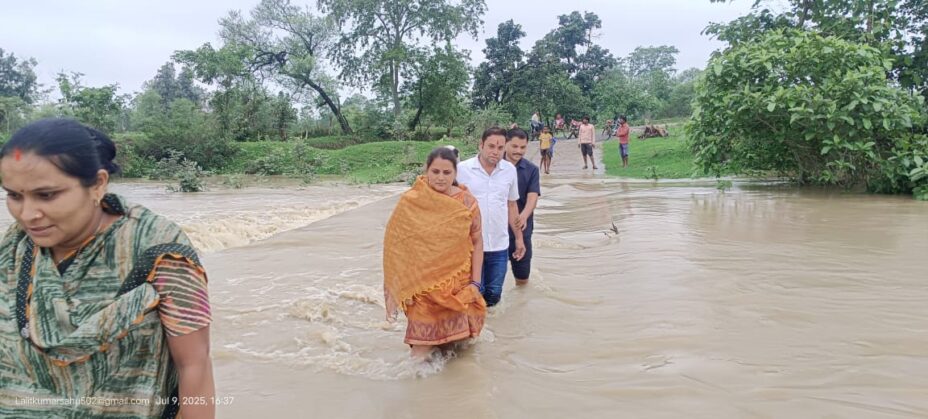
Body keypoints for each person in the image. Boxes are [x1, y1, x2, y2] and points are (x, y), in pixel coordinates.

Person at [0, 119, 215, 418]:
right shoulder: (14, 249)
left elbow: (195, 365)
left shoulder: (157, 248)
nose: (28, 214)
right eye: (14, 195)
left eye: (46, 195)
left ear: (98, 184)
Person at [383, 147, 486, 359]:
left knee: (457, 347)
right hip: (422, 289)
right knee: (420, 352)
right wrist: (398, 287)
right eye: (435, 172)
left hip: (458, 288)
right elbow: (397, 246)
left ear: (455, 173)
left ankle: (452, 391)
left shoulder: (467, 203)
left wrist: (475, 283)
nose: (441, 178)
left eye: (447, 173)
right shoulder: (411, 201)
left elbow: (477, 241)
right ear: (426, 171)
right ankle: (416, 388)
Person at [456, 127, 525, 307]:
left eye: (500, 148)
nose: (495, 152)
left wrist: (519, 238)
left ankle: (494, 331)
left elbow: (511, 205)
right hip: (469, 245)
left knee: (494, 294)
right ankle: (476, 332)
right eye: (491, 146)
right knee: (474, 295)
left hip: (499, 245)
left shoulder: (509, 170)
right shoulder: (462, 170)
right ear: (481, 145)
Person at [503, 129, 540, 286]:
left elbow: (533, 196)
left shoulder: (531, 170)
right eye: (515, 146)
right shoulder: (494, 168)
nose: (519, 151)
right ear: (505, 144)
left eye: (523, 147)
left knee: (522, 277)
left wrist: (524, 215)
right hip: (497, 229)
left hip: (521, 227)